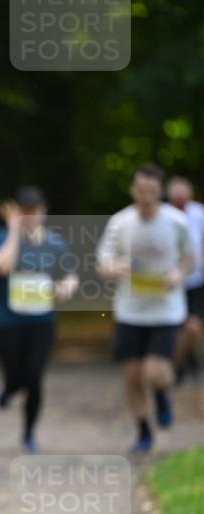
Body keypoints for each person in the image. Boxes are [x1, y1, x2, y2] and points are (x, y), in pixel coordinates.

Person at [96, 163, 193, 453]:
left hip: (166, 310)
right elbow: (102, 264)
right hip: (130, 311)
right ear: (132, 190)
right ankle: (143, 431)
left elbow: (190, 259)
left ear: (160, 191)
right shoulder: (120, 222)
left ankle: (162, 394)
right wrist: (117, 266)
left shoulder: (176, 221)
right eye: (140, 190)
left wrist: (177, 274)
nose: (146, 197)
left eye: (151, 191)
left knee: (155, 373)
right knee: (133, 376)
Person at [0, 186, 78, 452]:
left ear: (43, 211)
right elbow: (1, 266)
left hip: (41, 321)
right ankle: (9, 387)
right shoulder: (4, 236)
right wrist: (14, 230)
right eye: (25, 211)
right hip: (9, 321)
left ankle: (29, 433)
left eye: (35, 210)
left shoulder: (54, 243)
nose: (31, 216)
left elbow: (70, 274)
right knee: (15, 374)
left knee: (35, 377)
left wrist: (66, 287)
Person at [165, 176, 204, 383]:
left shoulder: (199, 213)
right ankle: (180, 366)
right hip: (170, 281)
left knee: (193, 327)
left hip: (196, 280)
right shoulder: (163, 214)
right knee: (179, 329)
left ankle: (190, 362)